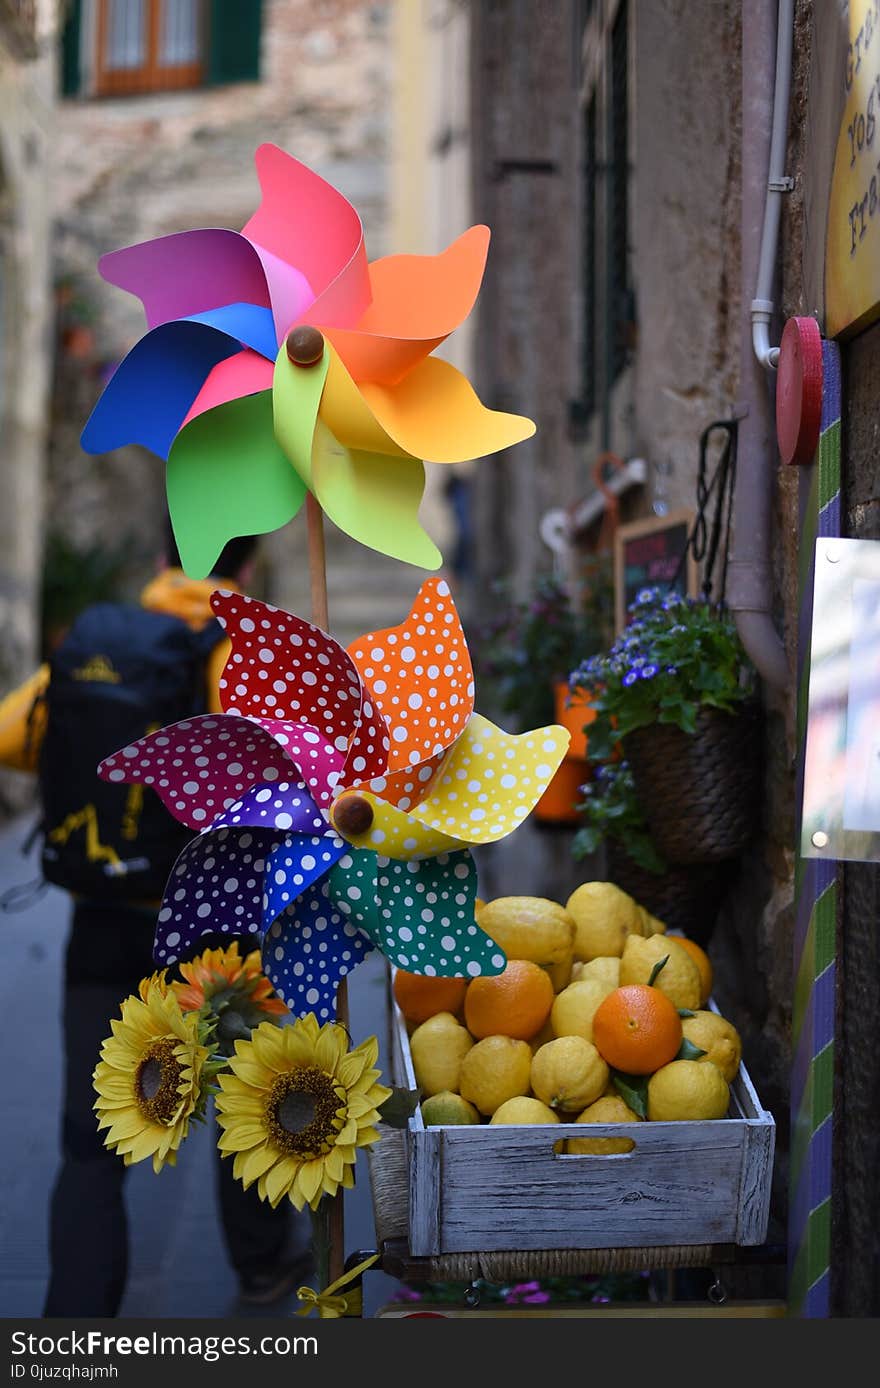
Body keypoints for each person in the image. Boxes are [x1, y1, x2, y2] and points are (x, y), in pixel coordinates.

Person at [0, 532, 311, 1315]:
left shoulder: (105, 640)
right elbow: (297, 777)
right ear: (248, 561)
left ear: (165, 547)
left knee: (90, 1139)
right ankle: (261, 1266)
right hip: (217, 929)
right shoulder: (237, 653)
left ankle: (77, 1314)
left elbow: (11, 734)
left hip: (102, 922)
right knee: (246, 1107)